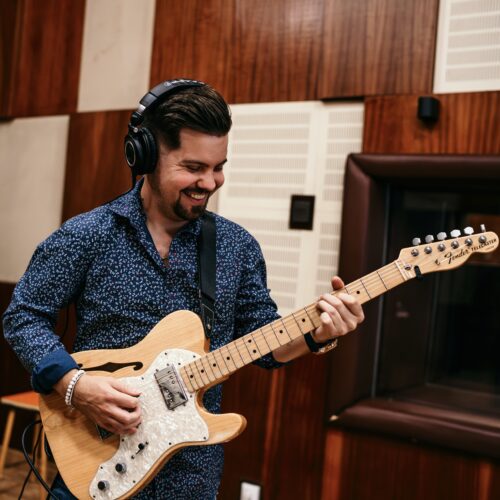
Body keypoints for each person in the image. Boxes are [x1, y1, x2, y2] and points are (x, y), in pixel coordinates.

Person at [3, 80, 364, 499]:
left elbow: (265, 346)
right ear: (145, 156)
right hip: (93, 462)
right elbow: (24, 315)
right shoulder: (89, 235)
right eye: (193, 168)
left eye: (218, 167)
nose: (210, 182)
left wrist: (318, 333)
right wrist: (75, 386)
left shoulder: (237, 247)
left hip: (191, 479)